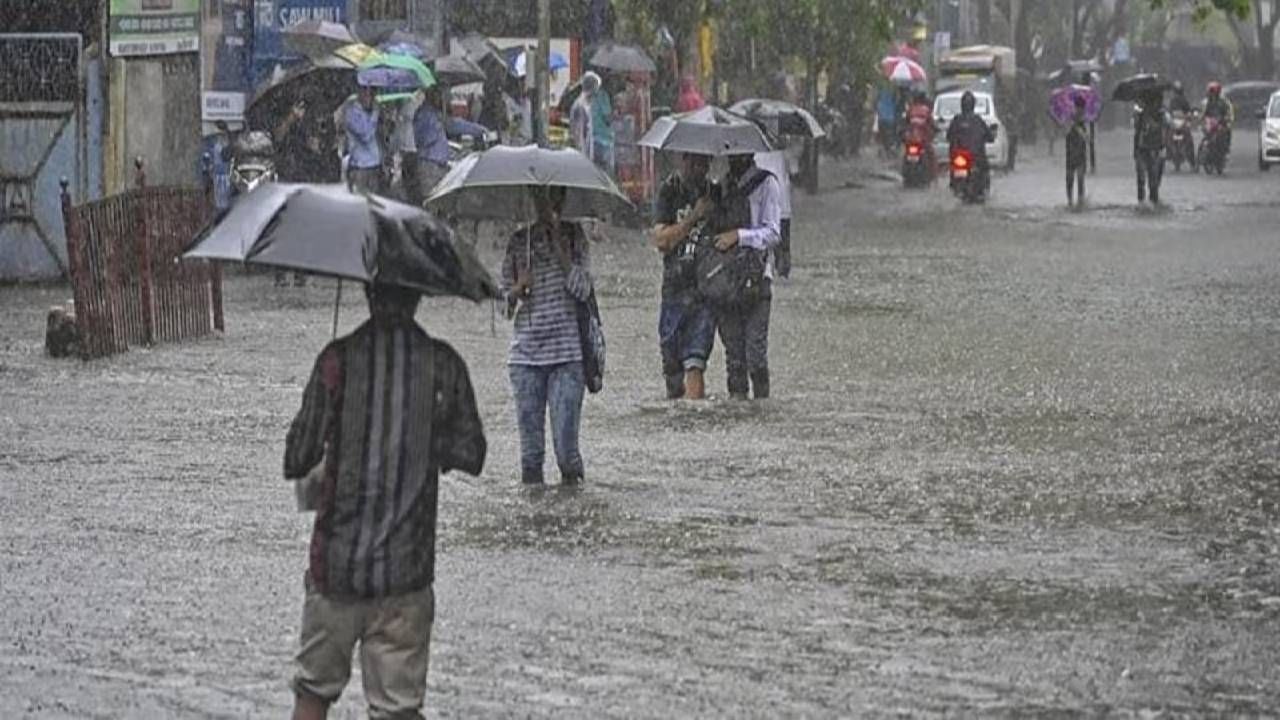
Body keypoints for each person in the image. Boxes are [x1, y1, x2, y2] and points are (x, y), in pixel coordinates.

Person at [283, 282, 486, 720]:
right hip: (406, 574)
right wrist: (426, 442)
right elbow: (473, 454)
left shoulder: (337, 361)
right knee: (397, 710)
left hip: (336, 567)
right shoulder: (444, 366)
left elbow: (296, 458)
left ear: (367, 293)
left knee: (313, 692)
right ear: (418, 296)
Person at [501, 186, 594, 486]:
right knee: (530, 458)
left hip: (567, 357)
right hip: (526, 358)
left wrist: (561, 251)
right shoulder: (519, 243)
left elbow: (583, 290)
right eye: (542, 198)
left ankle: (574, 514)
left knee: (567, 453)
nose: (549, 205)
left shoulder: (574, 236)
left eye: (555, 198)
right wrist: (517, 288)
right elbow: (501, 307)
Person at [708, 153, 783, 400]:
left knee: (755, 355)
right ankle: (738, 410)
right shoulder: (721, 187)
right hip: (726, 283)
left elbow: (773, 233)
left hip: (756, 280)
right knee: (734, 359)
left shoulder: (766, 184)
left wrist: (740, 236)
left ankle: (761, 406)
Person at [652, 153, 716, 399]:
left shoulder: (715, 193)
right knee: (672, 368)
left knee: (695, 361)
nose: (697, 168)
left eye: (703, 163)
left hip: (704, 291)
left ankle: (694, 420)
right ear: (682, 160)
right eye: (693, 162)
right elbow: (662, 241)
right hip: (673, 289)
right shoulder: (668, 192)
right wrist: (694, 217)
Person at [946, 91, 995, 192]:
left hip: (966, 158)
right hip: (973, 158)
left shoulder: (957, 120)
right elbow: (989, 136)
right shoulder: (978, 120)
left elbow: (949, 136)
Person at [345, 86, 383, 194]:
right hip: (360, 167)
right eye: (367, 93)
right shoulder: (352, 112)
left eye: (372, 93)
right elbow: (365, 135)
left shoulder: (370, 112)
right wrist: (375, 113)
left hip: (374, 165)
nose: (370, 97)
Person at [1133, 90, 1167, 205]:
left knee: (1154, 181)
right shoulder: (1141, 115)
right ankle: (1141, 202)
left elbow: (1165, 131)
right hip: (1142, 149)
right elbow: (1137, 132)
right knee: (1141, 178)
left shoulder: (1161, 115)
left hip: (1156, 149)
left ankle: (1154, 201)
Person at [1065, 95, 1089, 208]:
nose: (1079, 110)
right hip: (1070, 153)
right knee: (1069, 178)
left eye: (1081, 108)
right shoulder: (1070, 119)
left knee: (1080, 179)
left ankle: (1080, 200)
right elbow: (1065, 133)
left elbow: (1087, 138)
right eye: (1077, 107)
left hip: (1081, 154)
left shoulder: (1086, 121)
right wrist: (1071, 125)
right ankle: (1070, 201)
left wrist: (1079, 129)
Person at [570, 72, 598, 160]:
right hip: (582, 154)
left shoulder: (586, 105)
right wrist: (583, 157)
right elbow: (579, 134)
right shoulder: (580, 106)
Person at [590, 76, 615, 174]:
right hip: (603, 139)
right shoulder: (602, 96)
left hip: (592, 140)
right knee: (606, 172)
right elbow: (607, 118)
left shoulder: (587, 97)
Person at [1202, 81, 1234, 156]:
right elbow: (1203, 112)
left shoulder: (1224, 102)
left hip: (1220, 122)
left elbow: (1229, 111)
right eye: (1210, 91)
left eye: (1212, 91)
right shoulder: (1206, 102)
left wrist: (1228, 118)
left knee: (1227, 130)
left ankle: (1225, 148)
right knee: (1206, 134)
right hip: (1210, 122)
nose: (1211, 93)